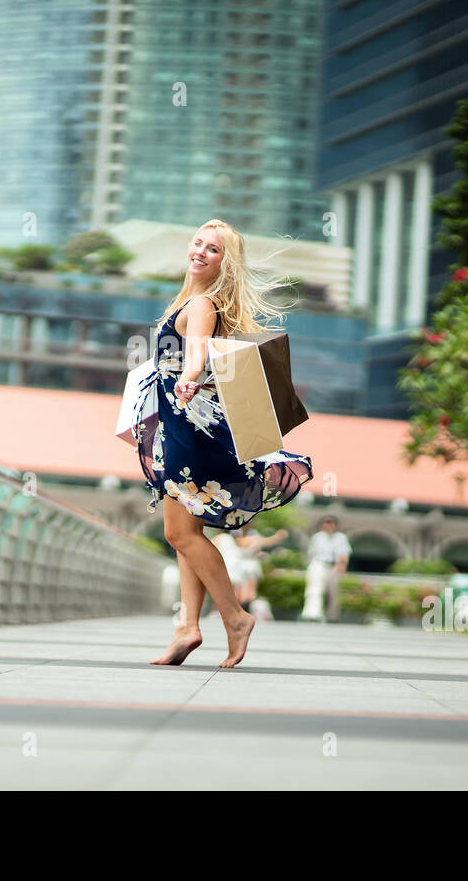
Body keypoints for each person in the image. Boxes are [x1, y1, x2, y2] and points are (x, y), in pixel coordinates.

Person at [133, 219, 313, 667]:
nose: (200, 252)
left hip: (188, 427)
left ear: (224, 262)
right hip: (181, 426)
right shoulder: (193, 300)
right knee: (186, 532)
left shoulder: (202, 304)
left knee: (179, 532)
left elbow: (195, 352)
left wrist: (189, 379)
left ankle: (233, 617)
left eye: (212, 249)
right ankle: (188, 627)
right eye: (197, 243)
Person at [212, 524, 288, 612]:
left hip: (228, 565)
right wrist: (278, 536)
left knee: (229, 590)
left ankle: (226, 611)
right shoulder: (238, 539)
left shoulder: (226, 538)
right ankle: (236, 611)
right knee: (241, 591)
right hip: (237, 566)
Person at [302, 516, 350, 623]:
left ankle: (332, 616)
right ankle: (312, 613)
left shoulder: (340, 537)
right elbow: (312, 553)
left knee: (333, 592)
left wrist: (342, 565)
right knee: (315, 588)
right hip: (319, 563)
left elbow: (344, 552)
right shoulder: (317, 537)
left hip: (333, 565)